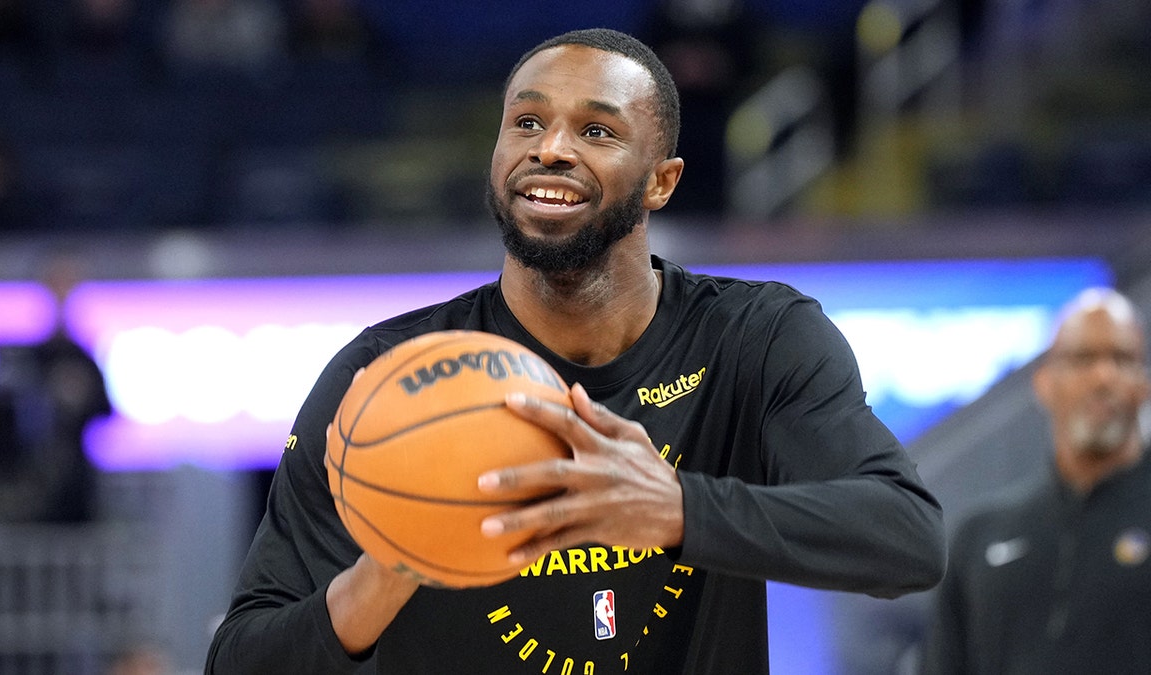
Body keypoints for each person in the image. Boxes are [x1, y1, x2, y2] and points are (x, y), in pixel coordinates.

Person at [206, 28, 945, 674]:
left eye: (597, 131)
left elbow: (906, 537)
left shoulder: (756, 337)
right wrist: (384, 575)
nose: (550, 148)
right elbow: (240, 658)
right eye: (526, 122)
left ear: (662, 180)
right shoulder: (386, 376)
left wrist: (675, 509)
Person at [921, 287, 1151, 674]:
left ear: (1144, 385)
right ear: (1044, 383)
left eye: (1122, 359)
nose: (1104, 376)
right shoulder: (980, 538)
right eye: (1083, 358)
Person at [0, 253, 113, 523]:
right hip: (22, 495)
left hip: (73, 494)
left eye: (69, 283)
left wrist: (80, 397)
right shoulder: (20, 356)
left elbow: (106, 411)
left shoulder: (82, 358)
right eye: (56, 282)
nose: (62, 292)